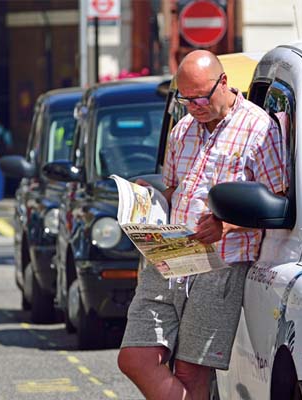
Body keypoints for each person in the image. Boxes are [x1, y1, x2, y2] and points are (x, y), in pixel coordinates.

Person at [117, 50, 286, 400]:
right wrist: (148, 202)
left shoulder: (259, 129)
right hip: (170, 256)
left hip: (219, 264)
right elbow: (174, 189)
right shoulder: (182, 129)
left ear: (224, 83)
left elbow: (278, 201)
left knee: (191, 372)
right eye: (186, 98)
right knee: (135, 357)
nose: (193, 106)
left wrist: (227, 226)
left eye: (200, 97)